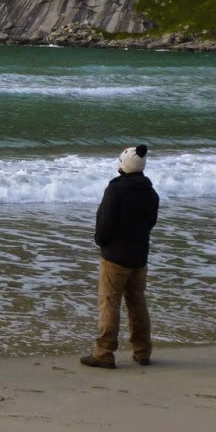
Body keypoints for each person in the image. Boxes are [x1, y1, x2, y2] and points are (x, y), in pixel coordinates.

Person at [81, 144, 160, 369]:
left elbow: (104, 223)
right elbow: (150, 223)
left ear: (123, 165)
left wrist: (101, 242)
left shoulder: (115, 189)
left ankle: (104, 353)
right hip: (139, 255)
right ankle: (142, 351)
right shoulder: (151, 192)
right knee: (137, 303)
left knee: (109, 303)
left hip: (115, 256)